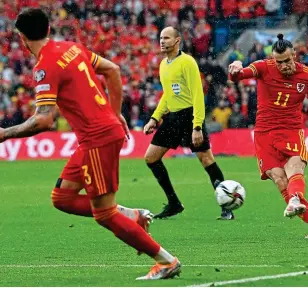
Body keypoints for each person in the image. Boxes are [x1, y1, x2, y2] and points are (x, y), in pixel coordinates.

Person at [0, 8, 181, 280]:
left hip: (97, 138)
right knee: (63, 198)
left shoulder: (44, 66)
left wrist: (5, 133)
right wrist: (115, 111)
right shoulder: (72, 48)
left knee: (104, 213)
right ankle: (133, 215)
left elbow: (44, 120)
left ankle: (165, 261)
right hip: (95, 136)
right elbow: (113, 69)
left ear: (22, 38)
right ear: (49, 29)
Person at [228, 34, 308, 238]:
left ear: (294, 55)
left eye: (287, 61)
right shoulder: (263, 67)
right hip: (264, 133)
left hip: (291, 129)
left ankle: (295, 200)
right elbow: (238, 76)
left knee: (295, 168)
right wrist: (236, 67)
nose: (283, 66)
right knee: (279, 179)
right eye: (279, 62)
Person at [143, 26, 233, 220]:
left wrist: (197, 126)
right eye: (160, 38)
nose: (162, 41)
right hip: (173, 118)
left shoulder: (187, 62)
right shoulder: (163, 64)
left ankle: (227, 206)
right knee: (151, 158)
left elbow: (198, 94)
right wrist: (155, 118)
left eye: (166, 38)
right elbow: (167, 95)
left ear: (177, 41)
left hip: (189, 116)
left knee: (206, 159)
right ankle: (174, 203)